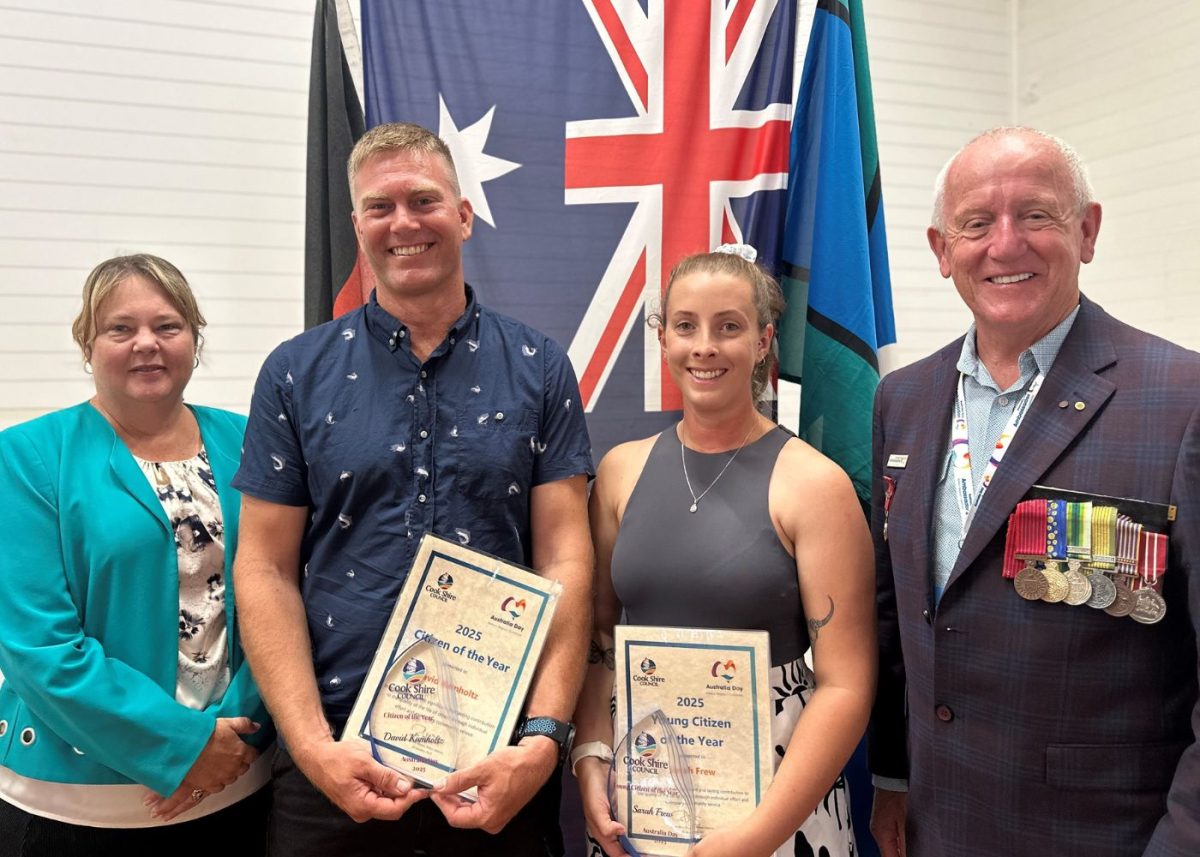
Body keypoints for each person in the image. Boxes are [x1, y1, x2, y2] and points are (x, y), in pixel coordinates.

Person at [232, 122, 594, 857]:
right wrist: (309, 746)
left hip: (500, 766)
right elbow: (263, 566)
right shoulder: (294, 372)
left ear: (463, 215)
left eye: (423, 199)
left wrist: (545, 740)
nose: (403, 223)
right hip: (335, 763)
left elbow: (567, 559)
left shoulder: (540, 366)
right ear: (358, 224)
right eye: (379, 206)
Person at [868, 126, 1200, 856]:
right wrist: (892, 776)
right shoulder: (904, 399)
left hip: (1107, 837)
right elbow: (895, 618)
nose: (1006, 244)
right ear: (941, 249)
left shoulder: (1182, 402)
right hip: (938, 825)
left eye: (1038, 215)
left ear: (1087, 230)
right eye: (977, 223)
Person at [575, 245, 876, 857]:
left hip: (783, 809)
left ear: (764, 341)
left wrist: (757, 836)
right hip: (643, 800)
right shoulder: (619, 473)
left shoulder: (816, 485)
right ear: (663, 339)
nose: (704, 347)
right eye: (685, 326)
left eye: (729, 327)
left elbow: (846, 684)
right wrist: (589, 759)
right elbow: (600, 644)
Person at [0, 254, 273, 855]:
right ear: (88, 344)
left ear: (193, 338)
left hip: (239, 777)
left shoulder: (252, 441)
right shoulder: (25, 457)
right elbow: (37, 648)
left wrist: (238, 736)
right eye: (120, 328)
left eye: (168, 326)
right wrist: (183, 747)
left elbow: (283, 593)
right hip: (84, 804)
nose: (146, 343)